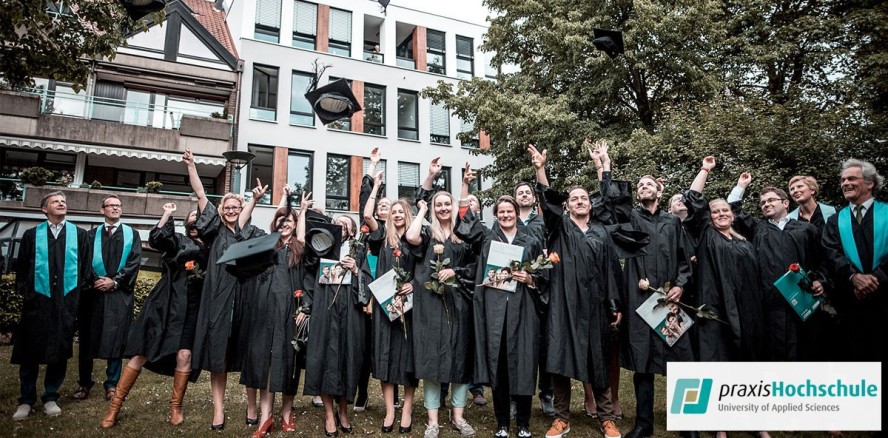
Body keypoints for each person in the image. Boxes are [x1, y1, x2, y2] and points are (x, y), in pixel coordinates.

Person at [594, 142, 693, 438]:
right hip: (640, 301)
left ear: (660, 191)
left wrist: (680, 286)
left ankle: (687, 423)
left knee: (679, 361)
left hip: (667, 300)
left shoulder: (673, 223)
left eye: (649, 183)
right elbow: (611, 203)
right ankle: (644, 423)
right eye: (640, 184)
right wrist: (605, 166)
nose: (644, 186)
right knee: (643, 362)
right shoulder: (631, 219)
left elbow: (684, 261)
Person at [528, 145, 623, 438]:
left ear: (590, 205)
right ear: (567, 206)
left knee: (599, 359)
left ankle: (606, 418)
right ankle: (562, 418)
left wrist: (614, 303)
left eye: (584, 198)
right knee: (559, 359)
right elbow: (547, 201)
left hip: (595, 305)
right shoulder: (559, 228)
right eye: (574, 199)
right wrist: (540, 169)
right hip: (564, 304)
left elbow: (610, 269)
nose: (579, 201)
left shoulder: (602, 232)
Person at [456, 173, 548, 438]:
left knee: (524, 364)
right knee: (500, 366)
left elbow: (545, 276)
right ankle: (502, 423)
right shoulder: (487, 238)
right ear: (496, 215)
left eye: (510, 211)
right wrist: (465, 185)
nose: (506, 215)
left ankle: (523, 423)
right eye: (502, 211)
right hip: (495, 310)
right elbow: (465, 220)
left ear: (517, 213)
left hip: (523, 309)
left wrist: (529, 278)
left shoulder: (531, 241)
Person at [100, 203, 208, 427]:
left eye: (200, 218)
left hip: (193, 308)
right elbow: (158, 238)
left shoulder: (213, 245)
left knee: (184, 356)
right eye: (192, 217)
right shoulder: (177, 240)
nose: (196, 221)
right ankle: (114, 407)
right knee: (141, 353)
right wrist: (167, 214)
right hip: (166, 302)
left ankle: (176, 408)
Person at [684, 157, 768, 438]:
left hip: (748, 311)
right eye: (715, 210)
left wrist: (741, 187)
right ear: (709, 217)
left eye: (725, 210)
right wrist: (705, 170)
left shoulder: (746, 240)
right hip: (716, 311)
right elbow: (694, 197)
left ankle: (755, 422)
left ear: (732, 215)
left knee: (749, 364)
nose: (721, 213)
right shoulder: (706, 234)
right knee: (717, 364)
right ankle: (719, 424)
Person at [184, 148, 266, 430]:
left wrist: (254, 200)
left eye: (236, 206)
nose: (231, 210)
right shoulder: (214, 231)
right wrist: (192, 167)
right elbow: (201, 197)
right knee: (217, 358)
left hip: (246, 301)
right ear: (221, 212)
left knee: (248, 355)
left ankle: (252, 406)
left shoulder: (250, 233)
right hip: (219, 302)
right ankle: (218, 411)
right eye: (227, 207)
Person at [405, 158, 477, 438]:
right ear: (434, 208)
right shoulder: (425, 232)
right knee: (432, 359)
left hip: (459, 303)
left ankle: (458, 417)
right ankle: (433, 421)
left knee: (460, 357)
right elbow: (410, 236)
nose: (444, 208)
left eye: (448, 204)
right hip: (431, 305)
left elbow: (473, 267)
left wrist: (454, 271)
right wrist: (424, 204)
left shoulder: (464, 235)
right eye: (439, 204)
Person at [726, 173, 828, 361]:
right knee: (775, 353)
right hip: (770, 304)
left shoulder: (806, 229)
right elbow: (732, 208)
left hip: (803, 301)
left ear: (786, 203)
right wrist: (741, 185)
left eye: (771, 200)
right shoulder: (757, 229)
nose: (766, 204)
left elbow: (822, 259)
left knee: (807, 351)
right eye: (763, 202)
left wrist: (821, 280)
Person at [12, 191, 89, 421]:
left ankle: (50, 396)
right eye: (56, 201)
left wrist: (74, 298)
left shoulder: (79, 235)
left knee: (59, 350)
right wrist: (29, 296)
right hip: (37, 303)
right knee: (29, 352)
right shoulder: (31, 235)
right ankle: (26, 400)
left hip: (65, 303)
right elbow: (22, 269)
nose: (61, 203)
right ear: (44, 209)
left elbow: (84, 271)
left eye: (63, 201)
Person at [238, 188, 307, 438]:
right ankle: (266, 418)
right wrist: (254, 200)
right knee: (265, 361)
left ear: (296, 225)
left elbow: (308, 280)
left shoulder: (301, 249)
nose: (284, 224)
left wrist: (305, 308)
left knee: (289, 361)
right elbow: (242, 227)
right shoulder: (265, 244)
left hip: (290, 310)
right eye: (280, 220)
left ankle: (287, 412)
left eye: (289, 220)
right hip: (263, 309)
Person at [302, 197, 371, 437]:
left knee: (348, 358)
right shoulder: (321, 246)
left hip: (350, 311)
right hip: (325, 309)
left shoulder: (359, 250)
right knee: (325, 358)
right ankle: (329, 414)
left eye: (346, 224)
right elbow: (309, 276)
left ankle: (344, 410)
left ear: (352, 232)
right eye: (337, 224)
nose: (341, 227)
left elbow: (368, 281)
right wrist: (307, 306)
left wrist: (355, 269)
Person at [365, 173, 419, 434]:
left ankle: (406, 410)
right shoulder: (380, 240)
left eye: (401, 211)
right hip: (385, 308)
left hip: (409, 309)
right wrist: (375, 187)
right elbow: (366, 217)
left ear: (407, 214)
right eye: (393, 211)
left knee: (407, 360)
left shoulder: (415, 240)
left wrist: (415, 285)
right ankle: (389, 411)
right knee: (385, 358)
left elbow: (424, 269)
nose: (396, 214)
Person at [75, 194, 142, 404]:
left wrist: (115, 282)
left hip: (119, 294)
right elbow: (83, 263)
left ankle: (111, 384)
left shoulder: (133, 234)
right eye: (110, 205)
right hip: (93, 294)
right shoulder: (89, 235)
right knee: (88, 338)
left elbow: (134, 263)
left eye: (118, 206)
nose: (115, 208)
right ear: (101, 210)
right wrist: (96, 281)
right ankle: (84, 383)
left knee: (117, 338)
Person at [821, 158, 887, 363]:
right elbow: (831, 252)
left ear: (870, 183)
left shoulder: (886, 213)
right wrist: (853, 277)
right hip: (851, 300)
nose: (845, 183)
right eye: (842, 180)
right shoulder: (835, 220)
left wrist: (877, 278)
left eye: (851, 178)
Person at [514, 181, 554, 416]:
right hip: (515, 287)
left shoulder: (543, 222)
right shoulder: (510, 220)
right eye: (520, 192)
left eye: (528, 192)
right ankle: (515, 395)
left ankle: (546, 394)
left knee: (544, 345)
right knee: (518, 344)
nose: (524, 195)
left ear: (534, 197)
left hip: (541, 286)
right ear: (514, 198)